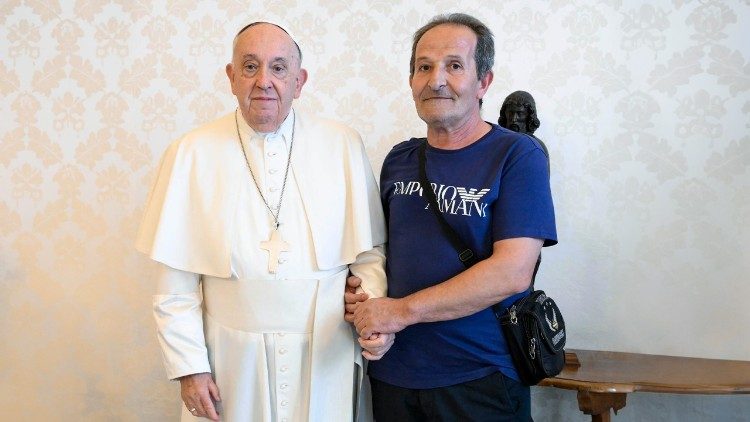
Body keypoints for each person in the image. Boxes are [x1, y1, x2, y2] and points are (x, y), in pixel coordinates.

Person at [136, 22, 390, 422]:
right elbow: (175, 284)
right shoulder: (191, 152)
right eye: (250, 67)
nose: (264, 82)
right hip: (229, 359)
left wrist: (369, 305)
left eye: (278, 68)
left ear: (299, 80)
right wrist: (189, 366)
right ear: (231, 76)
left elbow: (368, 255)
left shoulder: (342, 144)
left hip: (325, 355)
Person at [346, 13, 556, 421]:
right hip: (393, 373)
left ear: (484, 82)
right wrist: (361, 297)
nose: (436, 79)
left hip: (480, 377)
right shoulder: (400, 159)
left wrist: (399, 312)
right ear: (411, 81)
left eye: (454, 66)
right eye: (424, 67)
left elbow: (513, 272)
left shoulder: (517, 155)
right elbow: (380, 256)